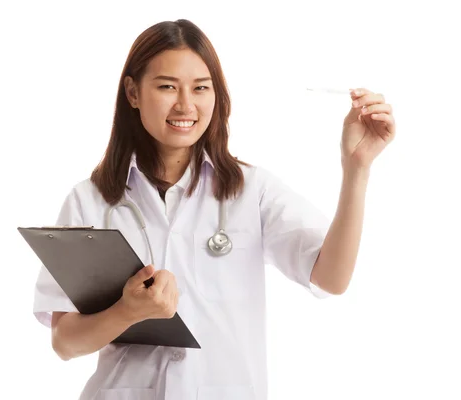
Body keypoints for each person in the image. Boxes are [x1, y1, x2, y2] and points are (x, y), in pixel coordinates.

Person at [32, 19, 396, 400]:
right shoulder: (90, 200)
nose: (186, 105)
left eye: (201, 88)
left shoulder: (252, 190)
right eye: (167, 86)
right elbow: (65, 343)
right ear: (133, 92)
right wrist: (128, 311)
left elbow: (331, 278)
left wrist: (356, 169)